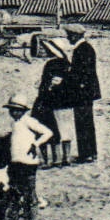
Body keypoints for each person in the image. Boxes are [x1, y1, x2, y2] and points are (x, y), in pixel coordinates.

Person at [4, 94, 52, 220]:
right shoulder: (15, 123)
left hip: (28, 163)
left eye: (17, 110)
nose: (13, 112)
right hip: (16, 162)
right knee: (16, 191)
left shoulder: (29, 121)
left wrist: (35, 144)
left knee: (30, 192)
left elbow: (47, 132)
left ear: (23, 110)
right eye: (11, 110)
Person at [33, 40, 76, 167]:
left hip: (52, 101)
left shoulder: (50, 64)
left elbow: (44, 84)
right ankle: (65, 158)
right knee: (65, 130)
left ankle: (54, 159)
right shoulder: (68, 64)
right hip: (66, 101)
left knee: (53, 129)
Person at [66, 26, 100, 163]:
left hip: (82, 92)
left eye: (69, 35)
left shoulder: (81, 50)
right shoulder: (87, 48)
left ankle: (85, 154)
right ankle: (91, 152)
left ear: (75, 35)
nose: (68, 38)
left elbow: (82, 73)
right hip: (88, 91)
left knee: (82, 123)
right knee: (87, 122)